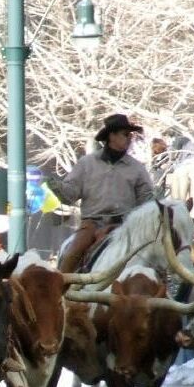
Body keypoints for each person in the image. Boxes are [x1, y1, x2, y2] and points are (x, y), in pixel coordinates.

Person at [48, 114, 156, 274]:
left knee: (153, 259)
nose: (129, 139)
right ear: (111, 135)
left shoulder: (137, 168)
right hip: (92, 223)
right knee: (72, 255)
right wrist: (55, 186)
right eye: (125, 134)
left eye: (131, 135)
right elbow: (70, 194)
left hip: (125, 226)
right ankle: (61, 292)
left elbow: (147, 201)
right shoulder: (87, 163)